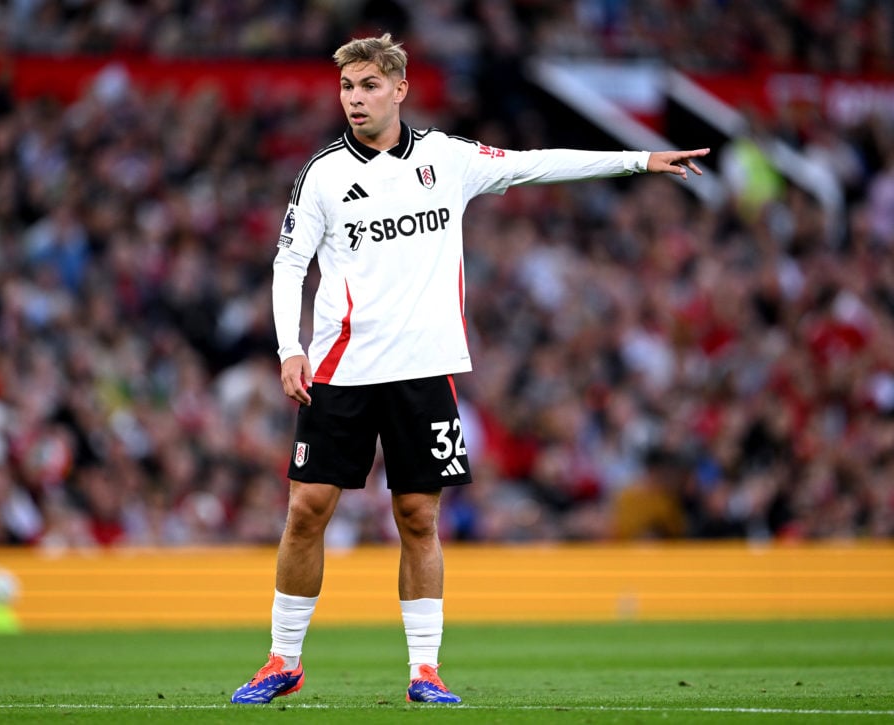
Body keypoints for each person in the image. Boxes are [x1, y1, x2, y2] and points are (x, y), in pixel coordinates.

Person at [231, 33, 709, 705]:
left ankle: (424, 671)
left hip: (424, 372)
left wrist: (641, 159)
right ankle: (282, 659)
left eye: (369, 86)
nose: (356, 99)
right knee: (307, 508)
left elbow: (536, 163)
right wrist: (290, 347)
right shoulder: (323, 175)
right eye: (347, 87)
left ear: (399, 89)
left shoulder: (447, 159)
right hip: (340, 367)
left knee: (419, 516)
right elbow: (289, 265)